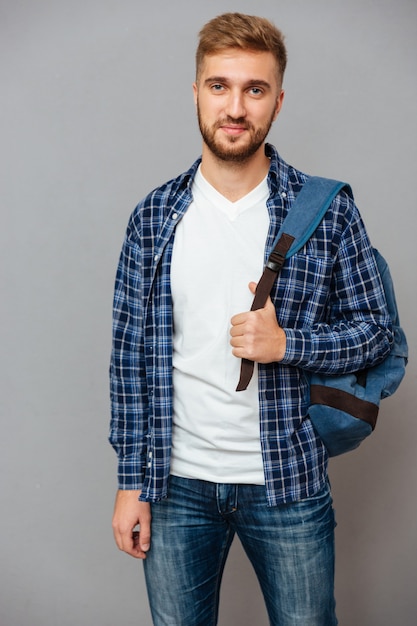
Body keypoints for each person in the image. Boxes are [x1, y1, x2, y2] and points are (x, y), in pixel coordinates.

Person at [109, 12, 392, 626]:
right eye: (219, 86)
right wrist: (132, 482)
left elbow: (378, 332)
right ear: (196, 93)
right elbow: (130, 359)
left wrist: (288, 343)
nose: (235, 107)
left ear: (278, 101)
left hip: (288, 482)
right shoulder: (154, 217)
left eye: (254, 89)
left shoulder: (327, 211)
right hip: (175, 483)